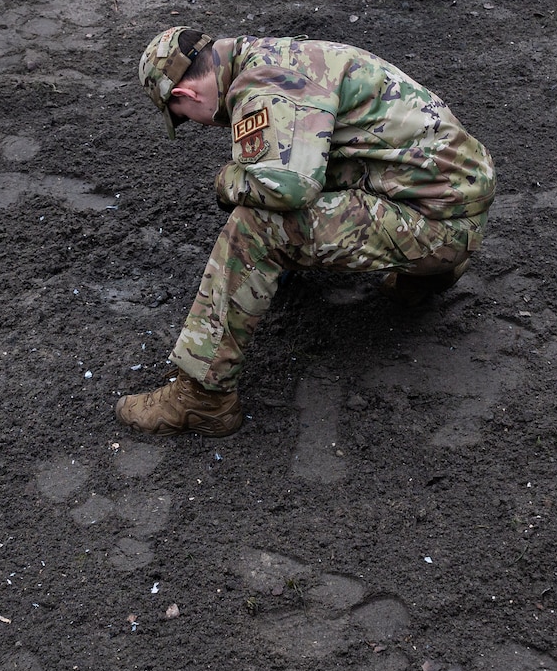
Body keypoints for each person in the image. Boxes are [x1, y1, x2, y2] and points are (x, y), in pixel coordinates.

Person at [117, 28, 497, 436]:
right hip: (455, 199)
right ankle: (427, 276)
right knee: (307, 159)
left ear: (185, 97)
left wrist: (227, 180)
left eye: (183, 120)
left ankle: (203, 397)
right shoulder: (277, 56)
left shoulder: (265, 87)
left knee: (256, 224)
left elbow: (288, 189)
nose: (197, 126)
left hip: (439, 227)